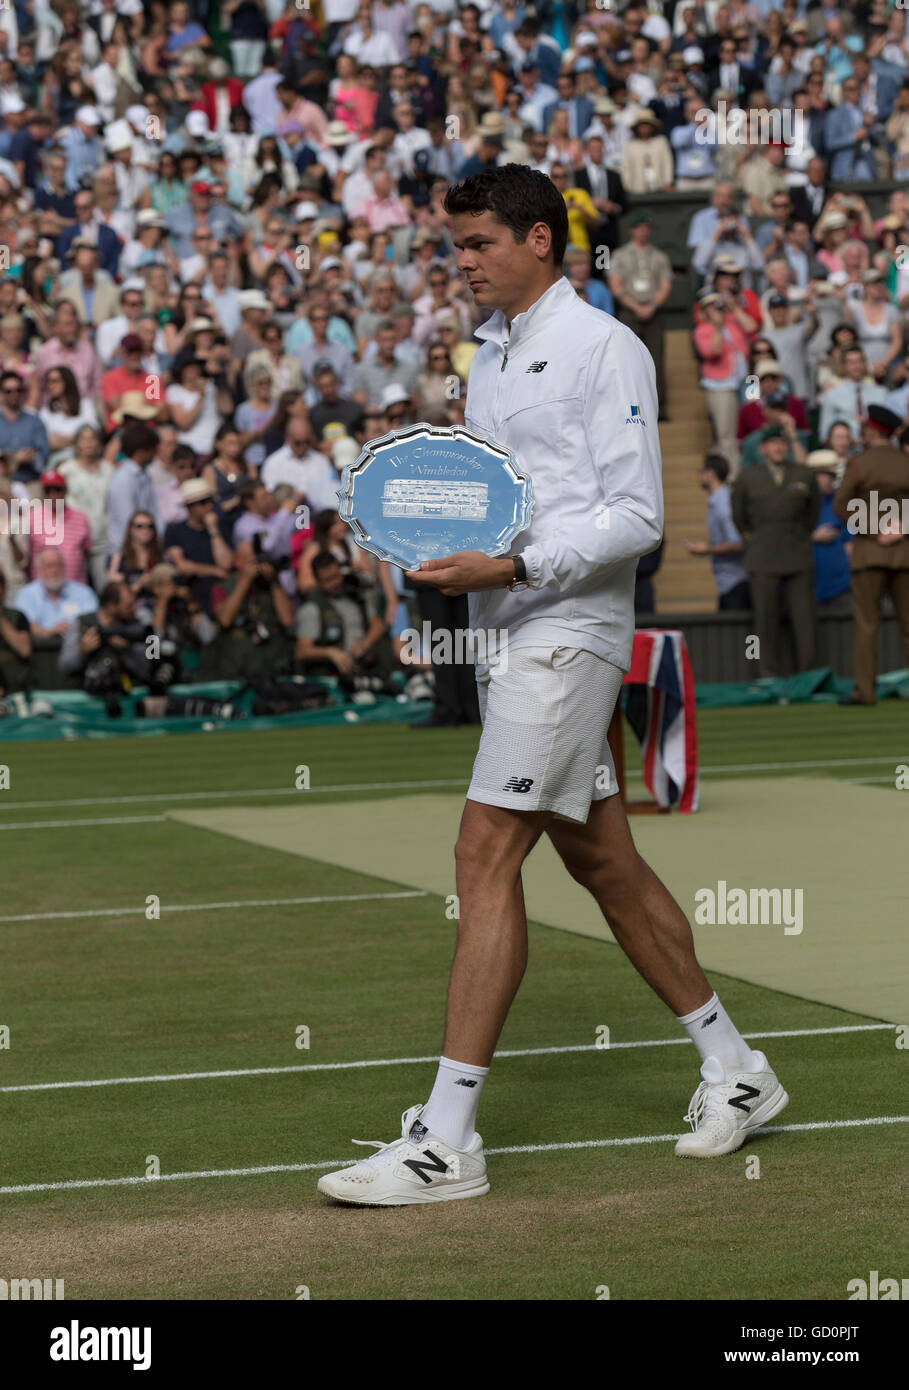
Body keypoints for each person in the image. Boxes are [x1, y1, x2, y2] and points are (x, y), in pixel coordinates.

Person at [318, 164, 789, 1208]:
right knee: (604, 860)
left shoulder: (602, 345)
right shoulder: (490, 355)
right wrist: (440, 542)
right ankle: (737, 1068)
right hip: (509, 634)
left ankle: (448, 1140)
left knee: (483, 852)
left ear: (543, 239)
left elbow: (636, 517)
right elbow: (510, 505)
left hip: (566, 635)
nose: (465, 263)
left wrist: (512, 568)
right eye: (457, 245)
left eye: (480, 242)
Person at [732, 425, 820, 678]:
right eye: (773, 443)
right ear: (762, 449)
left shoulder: (804, 473)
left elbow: (812, 513)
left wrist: (801, 535)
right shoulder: (748, 476)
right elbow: (739, 518)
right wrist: (756, 537)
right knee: (764, 621)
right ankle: (766, 673)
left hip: (797, 551)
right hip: (762, 554)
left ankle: (809, 675)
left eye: (783, 443)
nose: (779, 447)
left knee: (804, 621)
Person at [834, 407, 909, 704]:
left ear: (871, 432)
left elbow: (841, 507)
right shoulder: (905, 463)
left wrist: (875, 529)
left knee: (866, 625)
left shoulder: (858, 464)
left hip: (868, 553)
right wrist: (901, 529)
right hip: (905, 554)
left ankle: (865, 691)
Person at [608, 212, 673, 419]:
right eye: (639, 227)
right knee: (628, 360)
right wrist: (635, 306)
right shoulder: (619, 255)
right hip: (629, 311)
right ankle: (630, 408)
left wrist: (652, 305)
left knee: (656, 359)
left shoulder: (659, 256)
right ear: (632, 230)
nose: (643, 231)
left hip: (653, 310)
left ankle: (659, 408)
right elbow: (616, 285)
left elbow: (665, 284)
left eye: (647, 227)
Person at [685, 453, 750, 610]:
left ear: (711, 473)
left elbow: (738, 544)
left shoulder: (723, 504)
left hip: (736, 582)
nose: (699, 476)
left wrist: (706, 549)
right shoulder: (718, 501)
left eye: (701, 471)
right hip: (729, 582)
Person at [806, 449, 853, 614]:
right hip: (806, 588)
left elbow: (850, 545)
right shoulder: (797, 505)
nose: (831, 480)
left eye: (833, 475)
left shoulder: (840, 504)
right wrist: (812, 537)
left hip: (840, 588)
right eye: (827, 475)